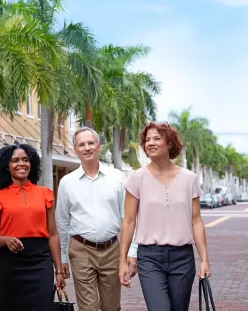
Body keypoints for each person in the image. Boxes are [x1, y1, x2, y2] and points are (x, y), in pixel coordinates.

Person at [119, 122, 212, 311]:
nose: (150, 143)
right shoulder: (136, 178)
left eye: (156, 138)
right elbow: (129, 221)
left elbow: (196, 221)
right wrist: (122, 261)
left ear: (169, 143)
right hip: (149, 258)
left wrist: (204, 260)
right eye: (147, 140)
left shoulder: (189, 178)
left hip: (183, 258)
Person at [55, 127, 137, 311]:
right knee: (88, 307)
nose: (87, 148)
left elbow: (128, 218)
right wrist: (63, 258)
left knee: (111, 306)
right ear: (75, 149)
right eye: (81, 144)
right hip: (81, 250)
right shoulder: (67, 182)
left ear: (98, 146)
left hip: (112, 250)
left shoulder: (116, 177)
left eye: (91, 143)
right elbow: (62, 222)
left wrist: (132, 251)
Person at [0, 143, 66, 311]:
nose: (21, 164)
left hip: (41, 261)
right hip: (10, 263)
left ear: (32, 164)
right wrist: (5, 239)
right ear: (6, 166)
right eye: (15, 160)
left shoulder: (45, 194)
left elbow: (53, 235)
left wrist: (59, 270)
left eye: (25, 160)